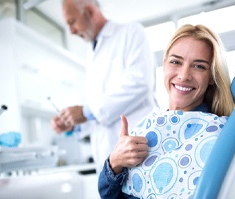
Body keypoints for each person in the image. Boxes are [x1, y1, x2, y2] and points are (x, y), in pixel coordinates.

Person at [98, 24, 235, 199]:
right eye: (176, 62)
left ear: (211, 76)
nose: (184, 75)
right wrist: (114, 162)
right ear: (164, 65)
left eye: (199, 66)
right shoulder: (151, 124)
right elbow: (106, 193)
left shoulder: (215, 133)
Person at [51, 0, 158, 174]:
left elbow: (140, 84)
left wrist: (85, 112)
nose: (71, 31)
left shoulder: (130, 32)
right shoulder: (91, 54)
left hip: (137, 152)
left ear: (90, 12)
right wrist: (74, 123)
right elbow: (101, 110)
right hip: (109, 161)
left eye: (72, 22)